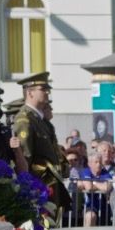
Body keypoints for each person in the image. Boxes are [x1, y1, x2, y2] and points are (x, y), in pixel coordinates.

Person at [13, 71, 71, 213]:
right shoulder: (25, 119)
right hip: (38, 188)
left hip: (49, 187)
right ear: (30, 92)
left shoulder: (41, 121)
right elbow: (25, 158)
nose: (47, 92)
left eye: (47, 89)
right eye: (43, 89)